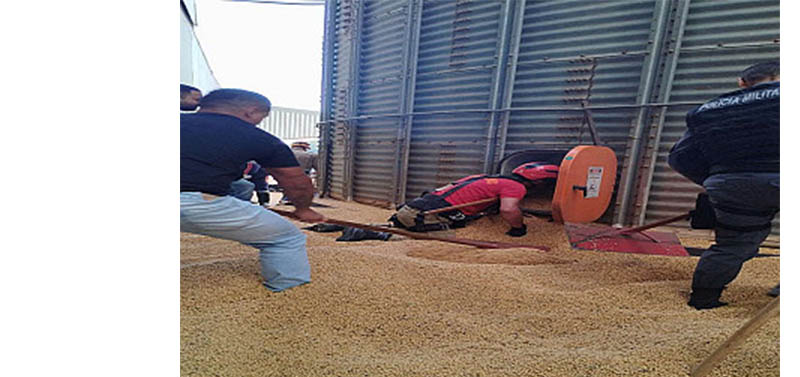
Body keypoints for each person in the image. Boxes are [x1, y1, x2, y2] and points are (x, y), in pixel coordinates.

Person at [181, 88, 324, 292]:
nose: (259, 122)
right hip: (198, 203)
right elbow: (296, 181)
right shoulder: (258, 137)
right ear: (252, 111)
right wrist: (304, 209)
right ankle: (290, 291)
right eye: (262, 117)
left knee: (242, 186)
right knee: (286, 238)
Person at [667, 61, 780, 310]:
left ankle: (704, 299)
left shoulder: (706, 110)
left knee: (733, 243)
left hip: (730, 184)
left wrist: (713, 179)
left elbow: (679, 157)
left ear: (742, 83)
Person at [334, 162, 559, 241]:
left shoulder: (486, 178)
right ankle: (366, 233)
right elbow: (509, 210)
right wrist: (519, 229)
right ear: (539, 184)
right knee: (436, 241)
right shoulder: (515, 187)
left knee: (404, 225)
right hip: (425, 217)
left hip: (414, 208)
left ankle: (344, 225)